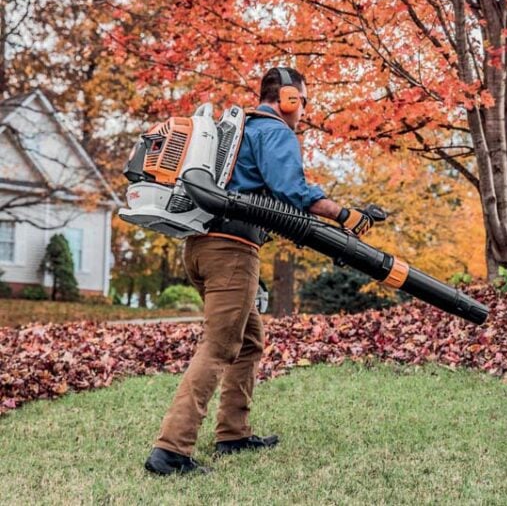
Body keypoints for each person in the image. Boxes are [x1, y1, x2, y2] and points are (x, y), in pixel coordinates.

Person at [144, 67, 374, 475]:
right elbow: (293, 191)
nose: (303, 109)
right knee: (219, 346)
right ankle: (170, 451)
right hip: (232, 251)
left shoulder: (237, 129)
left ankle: (233, 433)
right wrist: (346, 215)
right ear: (287, 98)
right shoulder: (274, 131)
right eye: (302, 100)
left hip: (200, 248)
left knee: (249, 341)